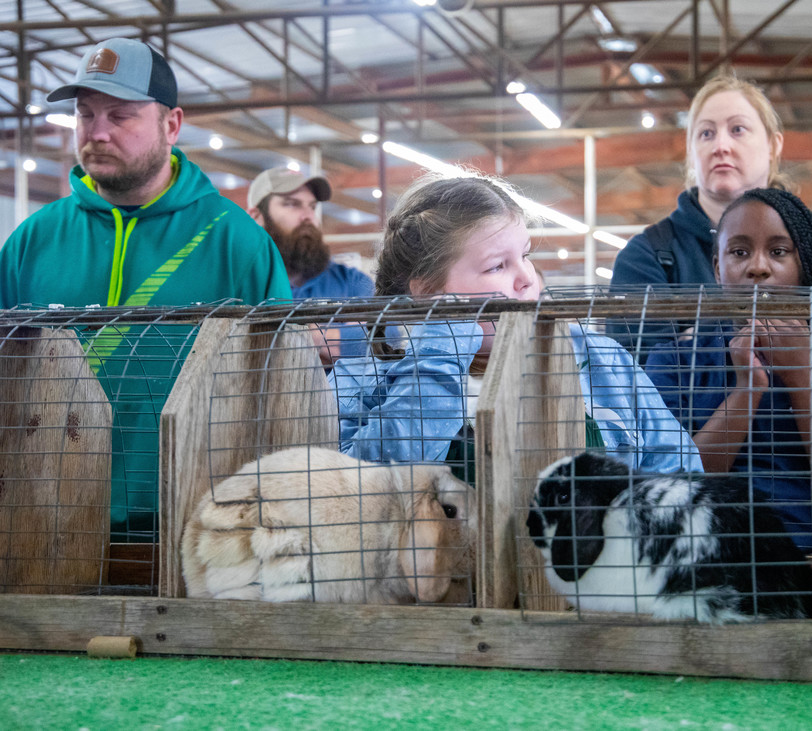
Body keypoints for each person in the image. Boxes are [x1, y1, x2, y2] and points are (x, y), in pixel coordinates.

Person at [0, 38, 292, 543]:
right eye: (85, 114)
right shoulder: (34, 239)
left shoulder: (236, 242)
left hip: (192, 524)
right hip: (43, 522)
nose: (98, 132)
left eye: (121, 115)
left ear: (171, 125)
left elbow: (284, 391)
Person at [327, 175, 703, 477]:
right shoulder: (360, 383)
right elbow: (360, 500)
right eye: (497, 266)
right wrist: (442, 347)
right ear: (427, 293)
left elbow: (681, 476)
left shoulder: (599, 360)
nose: (527, 279)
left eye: (525, 255)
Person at [644, 188, 812, 552]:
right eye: (739, 252)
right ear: (718, 268)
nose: (758, 266)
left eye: (779, 251)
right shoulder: (673, 361)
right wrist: (746, 391)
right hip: (702, 565)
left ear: (805, 265)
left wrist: (801, 376)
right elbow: (670, 489)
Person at [609, 73, 812, 359]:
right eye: (706, 133)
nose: (720, 146)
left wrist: (693, 340)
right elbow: (638, 375)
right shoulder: (647, 256)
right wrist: (794, 336)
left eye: (738, 129)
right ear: (692, 152)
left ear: (774, 145)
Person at [247, 166, 375, 363]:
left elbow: (387, 334)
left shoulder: (350, 281)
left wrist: (302, 335)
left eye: (312, 206)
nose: (308, 216)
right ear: (256, 217)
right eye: (292, 204)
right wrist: (340, 336)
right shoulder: (243, 284)